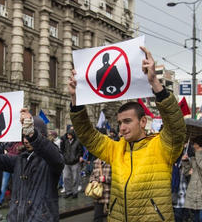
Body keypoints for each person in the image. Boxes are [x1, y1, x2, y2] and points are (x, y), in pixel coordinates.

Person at [68, 46, 186, 221]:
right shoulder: (116, 149)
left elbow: (176, 128)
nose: (122, 128)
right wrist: (75, 100)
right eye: (120, 122)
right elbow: (87, 135)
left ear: (143, 121)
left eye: (128, 121)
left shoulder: (162, 147)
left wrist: (155, 82)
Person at [0, 108, 65, 222]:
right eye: (24, 135)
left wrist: (32, 133)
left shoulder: (51, 159)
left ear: (42, 136)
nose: (26, 140)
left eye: (29, 135)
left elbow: (55, 158)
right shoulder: (19, 160)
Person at [60, 129, 83, 199]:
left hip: (75, 162)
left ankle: (75, 192)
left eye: (69, 134)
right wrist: (64, 156)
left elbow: (80, 150)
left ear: (72, 135)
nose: (68, 136)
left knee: (76, 178)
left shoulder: (78, 141)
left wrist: (78, 157)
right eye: (67, 135)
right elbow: (62, 149)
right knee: (66, 177)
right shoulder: (65, 141)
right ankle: (68, 192)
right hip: (66, 162)